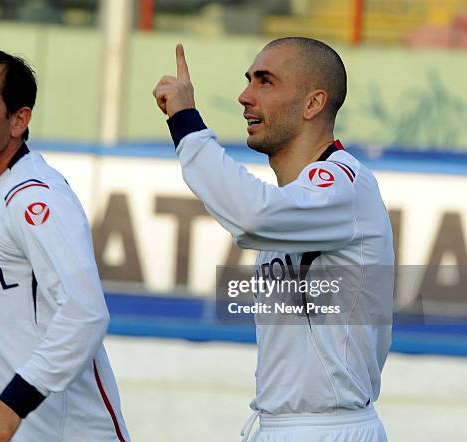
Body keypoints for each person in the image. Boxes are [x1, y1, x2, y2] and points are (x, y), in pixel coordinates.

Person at [153, 38, 394, 442]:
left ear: (313, 103)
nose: (245, 96)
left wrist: (186, 123)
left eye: (265, 82)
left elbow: (251, 215)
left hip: (327, 430)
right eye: (248, 81)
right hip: (280, 426)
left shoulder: (343, 183)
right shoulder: (294, 202)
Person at [0, 47, 130, 442]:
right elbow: (30, 318)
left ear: (19, 119)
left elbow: (85, 314)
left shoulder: (36, 198)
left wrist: (11, 404)